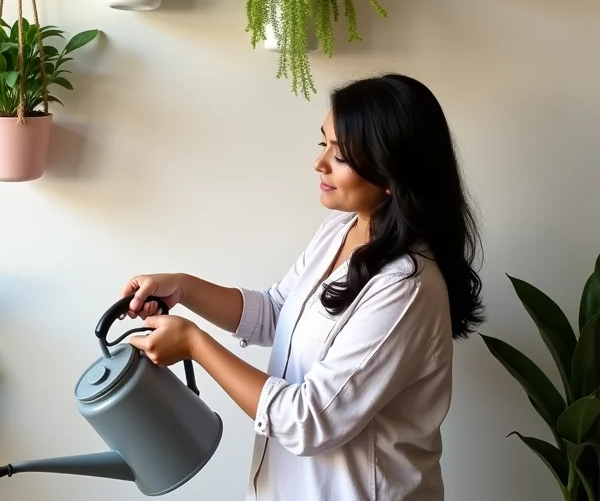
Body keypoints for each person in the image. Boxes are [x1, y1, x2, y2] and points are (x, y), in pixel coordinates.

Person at [122, 73, 484, 501]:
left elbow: (309, 420)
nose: (320, 164)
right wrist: (185, 288)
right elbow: (279, 312)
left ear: (391, 172)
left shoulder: (407, 288)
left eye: (342, 154)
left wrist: (196, 346)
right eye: (323, 144)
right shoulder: (341, 231)